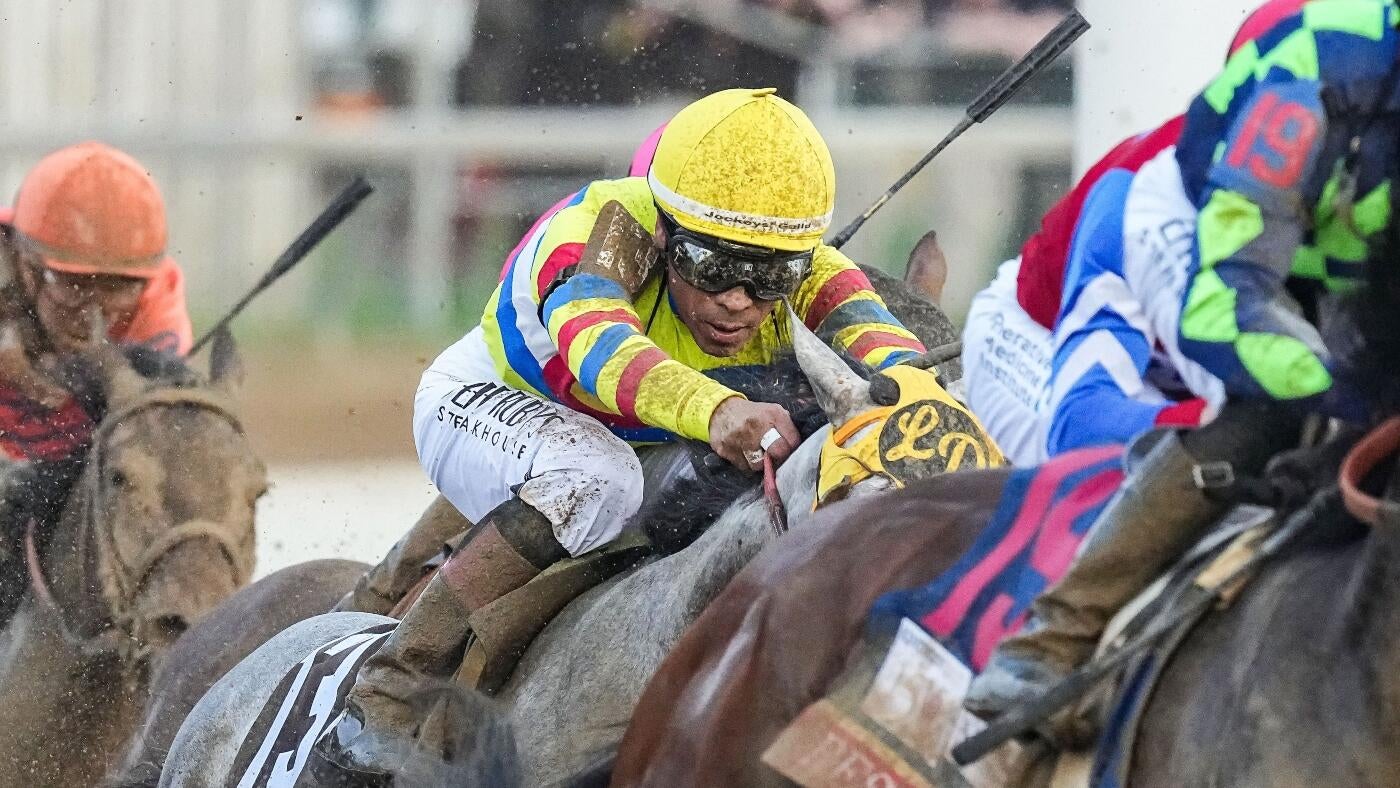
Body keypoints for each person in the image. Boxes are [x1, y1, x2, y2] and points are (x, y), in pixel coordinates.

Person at [318, 87, 929, 777]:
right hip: (489, 404)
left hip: (635, 435)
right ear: (666, 232)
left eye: (770, 278)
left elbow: (902, 365)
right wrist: (719, 411)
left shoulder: (812, 274)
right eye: (713, 269)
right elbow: (600, 346)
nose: (738, 300)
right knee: (597, 478)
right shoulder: (601, 233)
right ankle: (386, 694)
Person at [966, 0, 1387, 721]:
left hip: (1260, 286)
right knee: (1266, 413)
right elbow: (1081, 423)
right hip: (1036, 345)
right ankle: (1047, 642)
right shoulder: (1143, 193)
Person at [0, 141, 193, 623]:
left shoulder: (156, 310)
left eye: (117, 287)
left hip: (73, 476)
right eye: (74, 283)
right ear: (24, 264)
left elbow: (154, 446)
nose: (94, 312)